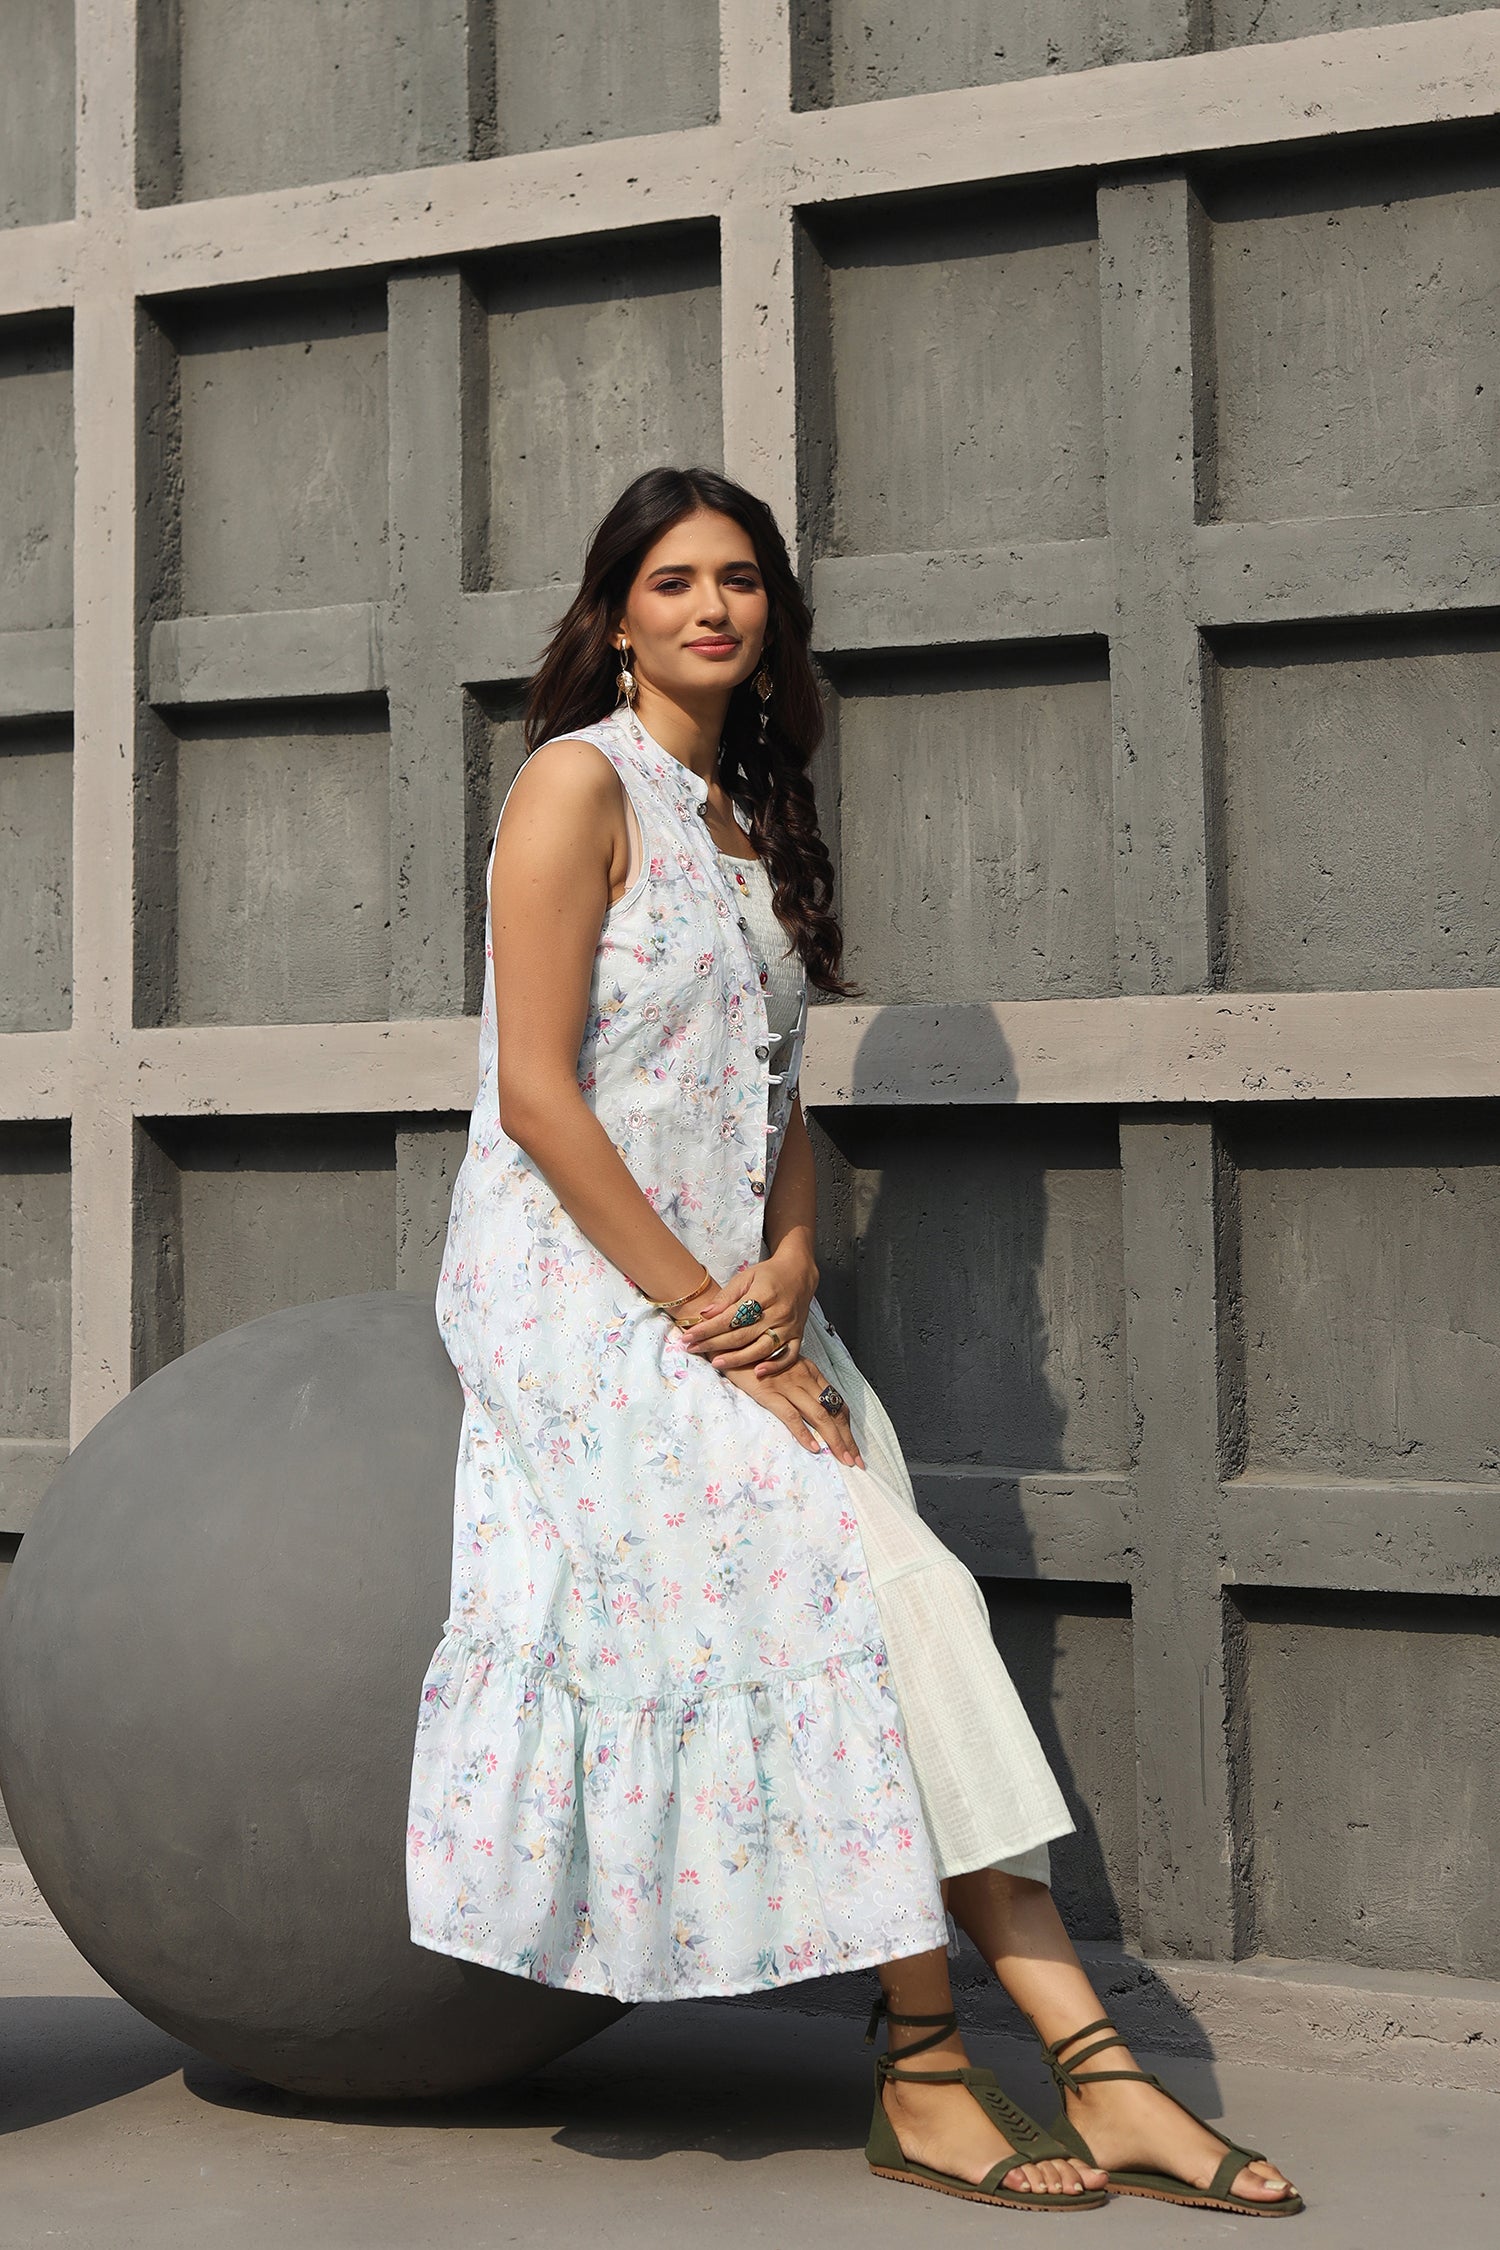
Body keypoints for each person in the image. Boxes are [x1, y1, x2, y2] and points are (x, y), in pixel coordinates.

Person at [405, 466, 1299, 2217]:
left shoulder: (746, 817)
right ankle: (1071, 2067)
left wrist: (798, 1256)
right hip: (584, 1294)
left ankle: (950, 2067)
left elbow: (773, 1102)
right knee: (890, 1587)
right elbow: (533, 1092)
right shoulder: (573, 786)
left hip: (739, 1292)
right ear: (617, 608)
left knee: (892, 1618)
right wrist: (701, 1316)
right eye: (672, 580)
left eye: (740, 580)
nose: (710, 608)